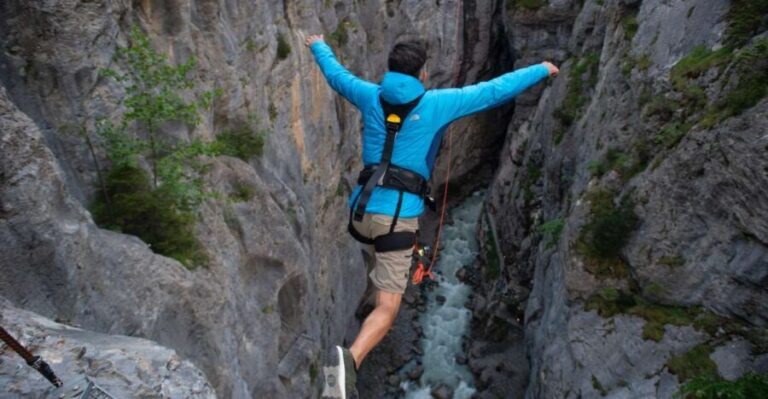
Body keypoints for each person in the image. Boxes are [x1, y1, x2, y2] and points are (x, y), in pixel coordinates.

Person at [305, 33, 558, 398]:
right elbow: (493, 91)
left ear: (392, 71)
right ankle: (348, 364)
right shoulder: (437, 103)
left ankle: (375, 290)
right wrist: (540, 68)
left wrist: (318, 45)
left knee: (383, 264)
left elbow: (336, 74)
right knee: (390, 309)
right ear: (423, 74)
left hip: (361, 213)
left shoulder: (368, 94)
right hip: (396, 219)